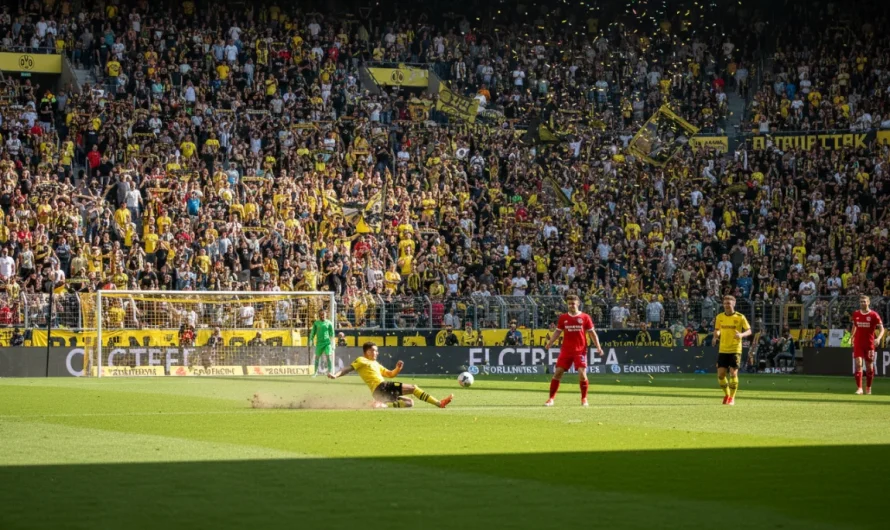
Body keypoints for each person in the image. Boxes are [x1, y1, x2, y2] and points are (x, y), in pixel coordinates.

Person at [328, 342, 453, 409]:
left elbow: (390, 374)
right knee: (414, 388)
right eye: (373, 350)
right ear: (366, 352)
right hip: (382, 387)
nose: (376, 352)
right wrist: (335, 375)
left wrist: (397, 369)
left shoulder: (375, 364)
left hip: (379, 392)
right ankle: (439, 403)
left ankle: (380, 404)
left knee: (409, 403)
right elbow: (347, 369)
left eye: (377, 350)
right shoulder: (361, 360)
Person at [543, 294, 604, 407]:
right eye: (569, 303)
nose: (571, 305)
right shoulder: (563, 317)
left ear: (578, 303)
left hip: (580, 350)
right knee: (558, 373)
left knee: (582, 374)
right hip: (566, 350)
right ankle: (551, 399)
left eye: (573, 303)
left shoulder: (585, 317)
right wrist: (550, 343)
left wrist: (598, 347)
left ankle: (584, 398)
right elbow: (557, 332)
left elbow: (592, 333)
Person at [712, 295, 752, 405]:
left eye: (728, 303)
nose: (726, 306)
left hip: (735, 349)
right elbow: (717, 330)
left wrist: (741, 334)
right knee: (720, 375)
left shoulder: (740, 317)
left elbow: (749, 331)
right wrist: (716, 336)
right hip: (723, 349)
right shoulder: (719, 317)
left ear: (733, 304)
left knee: (733, 373)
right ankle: (727, 394)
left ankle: (732, 398)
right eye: (725, 303)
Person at [850, 295, 885, 395]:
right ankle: (859, 388)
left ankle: (868, 387)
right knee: (858, 364)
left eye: (864, 302)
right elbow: (854, 326)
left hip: (869, 344)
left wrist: (878, 338)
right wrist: (852, 336)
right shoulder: (856, 314)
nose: (862, 303)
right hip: (858, 343)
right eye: (861, 302)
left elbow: (882, 329)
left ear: (868, 302)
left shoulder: (874, 315)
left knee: (869, 366)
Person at [309, 309, 335, 377]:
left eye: (323, 314)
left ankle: (330, 372)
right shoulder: (316, 323)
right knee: (317, 358)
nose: (322, 316)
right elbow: (313, 333)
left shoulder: (329, 323)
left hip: (327, 343)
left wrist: (333, 344)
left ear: (326, 315)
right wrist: (311, 340)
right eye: (320, 315)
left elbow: (332, 334)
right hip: (319, 343)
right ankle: (315, 372)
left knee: (329, 357)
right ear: (319, 315)